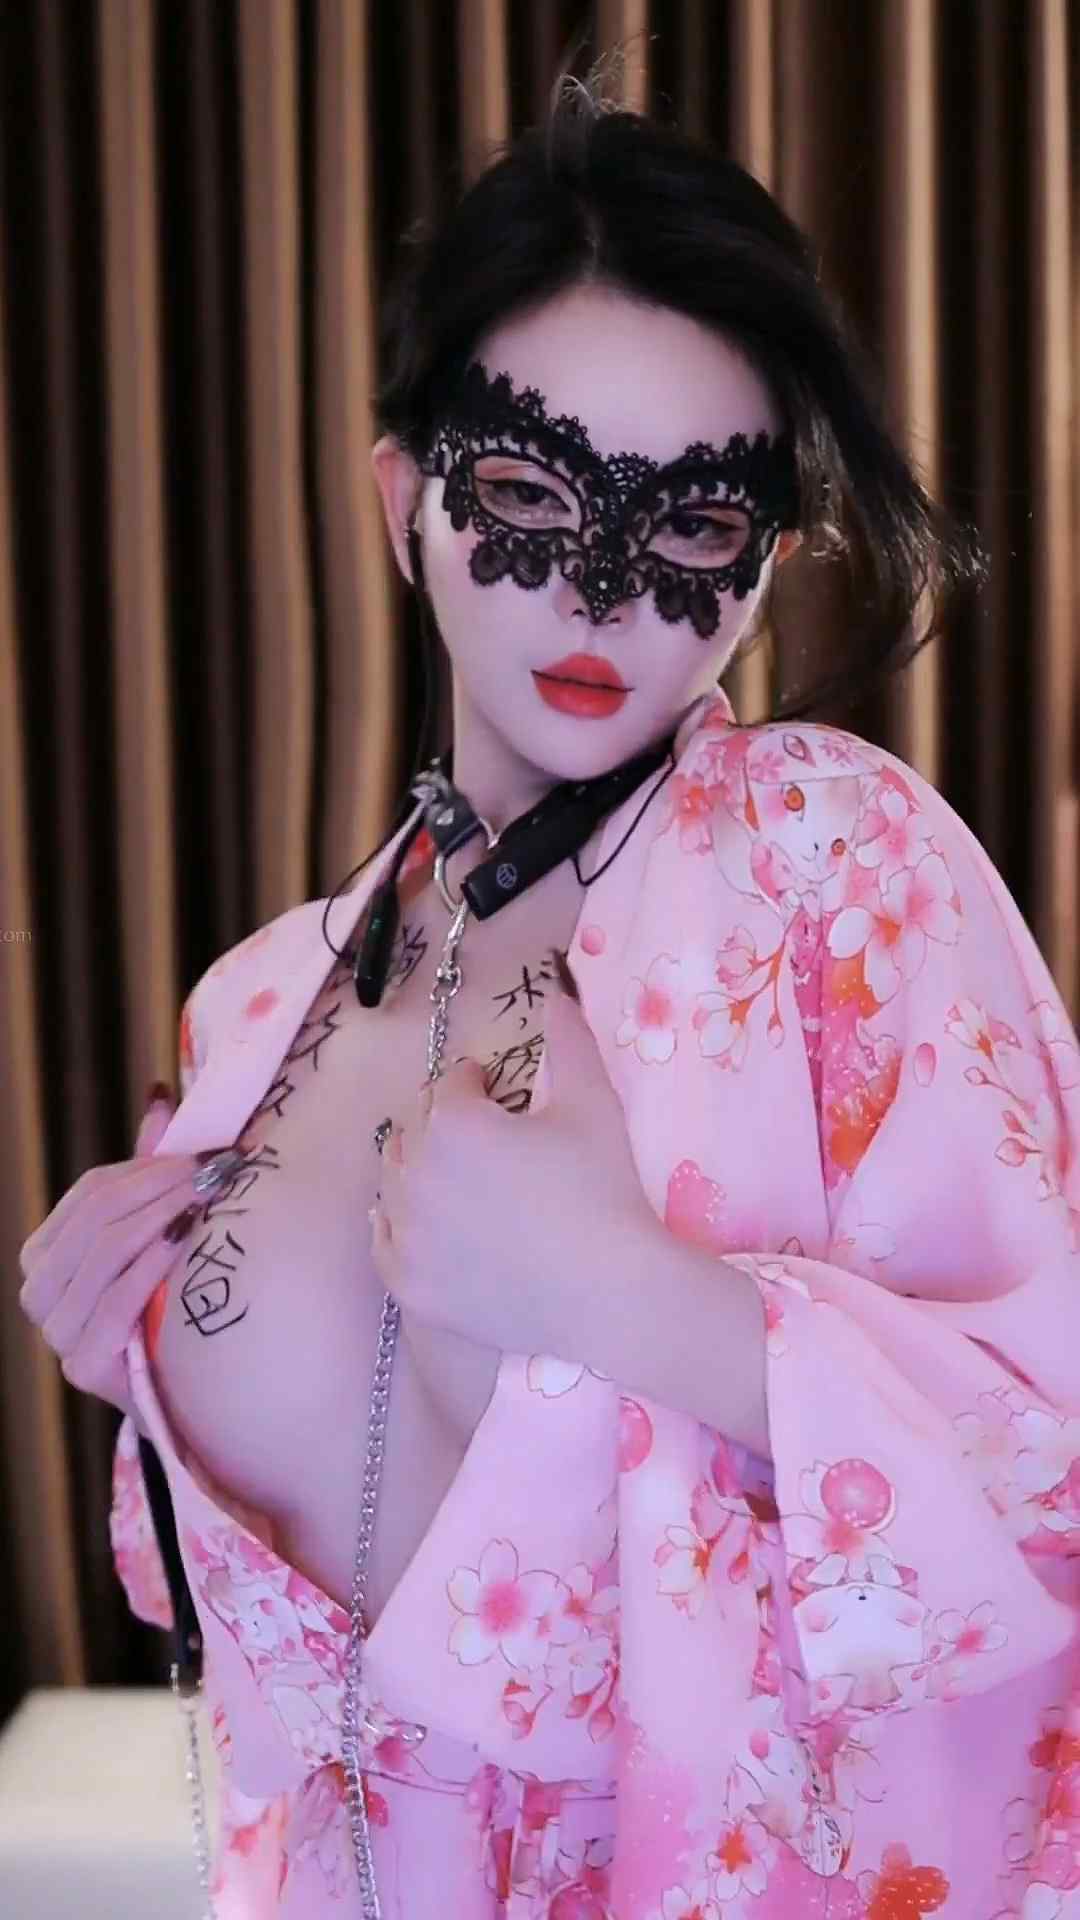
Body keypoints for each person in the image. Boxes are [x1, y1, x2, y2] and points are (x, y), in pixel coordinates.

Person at [19, 80, 1080, 1920]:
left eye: (693, 526)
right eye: (526, 492)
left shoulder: (838, 875)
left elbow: (1055, 1464)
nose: (601, 596)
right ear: (403, 502)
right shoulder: (258, 1015)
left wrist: (628, 1298)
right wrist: (124, 1347)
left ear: (764, 563)